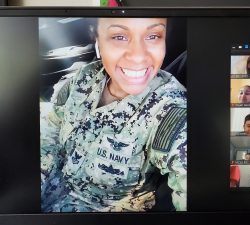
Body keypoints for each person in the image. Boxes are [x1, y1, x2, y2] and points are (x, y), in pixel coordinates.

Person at [40, 17, 187, 212]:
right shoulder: (84, 78)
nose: (138, 56)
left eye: (153, 36)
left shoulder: (170, 110)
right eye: (119, 36)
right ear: (97, 39)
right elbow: (51, 125)